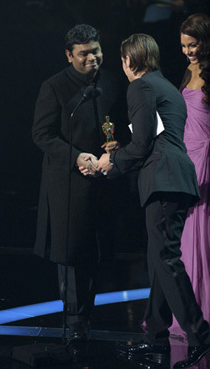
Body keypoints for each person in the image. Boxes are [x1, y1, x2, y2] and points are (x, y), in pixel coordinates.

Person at [96, 33, 210, 368]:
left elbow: (144, 143)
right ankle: (157, 337)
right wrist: (124, 152)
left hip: (164, 180)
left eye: (122, 60)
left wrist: (112, 165)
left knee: (166, 257)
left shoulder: (140, 87)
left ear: (129, 60)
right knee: (158, 259)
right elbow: (155, 138)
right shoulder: (165, 88)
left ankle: (200, 335)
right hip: (176, 176)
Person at [32, 24, 128, 343]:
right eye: (84, 54)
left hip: (102, 178)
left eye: (96, 51)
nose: (92, 58)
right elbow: (42, 134)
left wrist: (114, 150)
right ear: (69, 55)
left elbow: (119, 126)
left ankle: (88, 314)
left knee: (97, 252)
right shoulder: (55, 86)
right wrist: (77, 157)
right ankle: (74, 319)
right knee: (72, 253)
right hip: (69, 182)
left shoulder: (111, 81)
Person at [170, 14, 210, 338]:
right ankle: (189, 308)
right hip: (186, 156)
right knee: (184, 236)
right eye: (184, 46)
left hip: (206, 158)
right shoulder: (188, 70)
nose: (188, 52)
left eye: (193, 44)